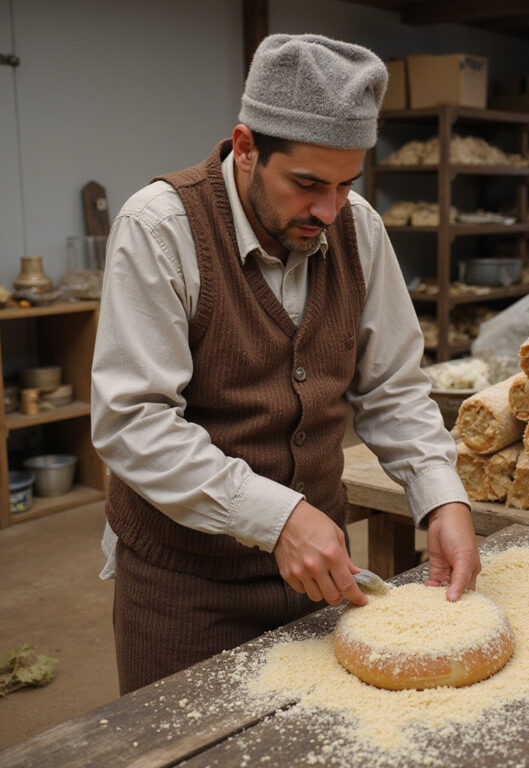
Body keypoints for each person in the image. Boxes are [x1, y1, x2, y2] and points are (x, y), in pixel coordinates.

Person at [91, 33, 480, 695]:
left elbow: (392, 389)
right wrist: (278, 518)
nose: (329, 211)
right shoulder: (160, 228)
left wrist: (441, 498)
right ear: (245, 148)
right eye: (306, 184)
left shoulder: (358, 229)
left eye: (346, 184)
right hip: (187, 589)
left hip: (322, 584)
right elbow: (133, 423)